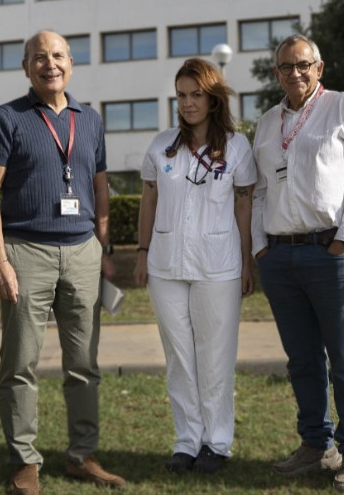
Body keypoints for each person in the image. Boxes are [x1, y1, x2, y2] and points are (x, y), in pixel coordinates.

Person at [0, 30, 126, 495]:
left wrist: (104, 247)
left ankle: (83, 455)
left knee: (84, 362)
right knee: (20, 363)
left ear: (71, 63)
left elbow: (99, 186)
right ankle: (25, 461)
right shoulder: (7, 118)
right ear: (26, 68)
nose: (49, 64)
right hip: (26, 254)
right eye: (39, 57)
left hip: (83, 253)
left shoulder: (91, 120)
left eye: (57, 55)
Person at [251, 34, 344, 493]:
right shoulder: (267, 123)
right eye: (286, 67)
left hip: (331, 252)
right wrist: (260, 247)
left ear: (319, 67)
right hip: (280, 256)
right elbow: (261, 189)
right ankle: (314, 443)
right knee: (302, 360)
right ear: (276, 74)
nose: (295, 73)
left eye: (303, 65)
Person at [133, 58, 257, 474]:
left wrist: (247, 261)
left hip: (219, 266)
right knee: (180, 357)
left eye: (196, 95)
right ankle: (187, 441)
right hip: (165, 264)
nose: (188, 103)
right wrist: (141, 250)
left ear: (213, 97)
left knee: (215, 356)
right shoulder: (161, 145)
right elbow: (149, 198)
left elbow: (244, 205)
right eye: (182, 95)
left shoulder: (237, 147)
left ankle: (216, 443)